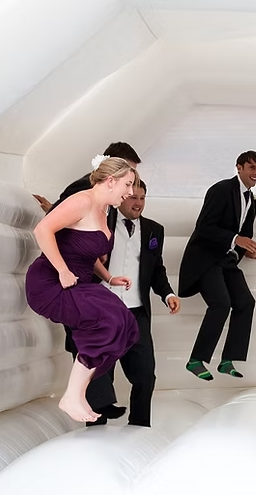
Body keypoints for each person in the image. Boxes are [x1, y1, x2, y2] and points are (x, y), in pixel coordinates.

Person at [25, 156, 140, 422]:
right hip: (50, 282)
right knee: (108, 320)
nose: (130, 192)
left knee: (124, 322)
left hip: (79, 281)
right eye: (127, 184)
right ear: (110, 181)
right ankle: (71, 396)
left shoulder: (104, 211)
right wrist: (62, 270)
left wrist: (109, 277)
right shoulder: (82, 201)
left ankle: (77, 395)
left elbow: (85, 252)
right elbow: (42, 230)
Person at [179, 151, 256, 380]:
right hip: (206, 258)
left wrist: (248, 248)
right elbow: (204, 227)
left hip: (227, 260)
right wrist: (236, 239)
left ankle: (227, 360)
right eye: (252, 167)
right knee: (221, 303)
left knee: (246, 302)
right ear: (239, 167)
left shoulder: (251, 201)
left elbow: (244, 235)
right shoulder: (220, 189)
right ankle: (196, 360)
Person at [97, 180, 180, 426]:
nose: (139, 203)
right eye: (134, 197)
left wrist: (168, 294)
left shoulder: (154, 230)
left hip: (136, 313)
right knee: (101, 376)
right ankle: (95, 431)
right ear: (122, 197)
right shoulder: (102, 222)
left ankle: (139, 427)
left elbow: (156, 270)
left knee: (145, 376)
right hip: (102, 311)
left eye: (143, 198)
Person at [33, 142, 142, 213]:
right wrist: (53, 210)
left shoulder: (113, 196)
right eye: (127, 170)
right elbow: (57, 215)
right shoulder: (86, 185)